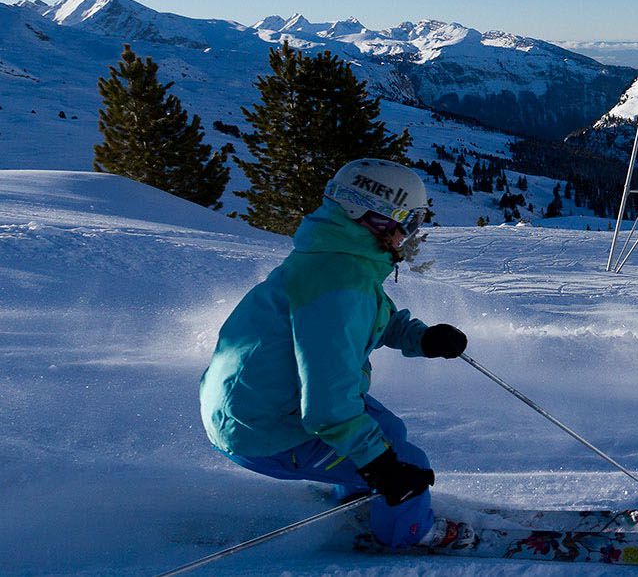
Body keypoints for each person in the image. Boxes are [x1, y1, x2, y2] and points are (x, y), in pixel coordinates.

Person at [199, 159, 471, 548]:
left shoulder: (335, 259)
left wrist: (421, 338)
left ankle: (357, 495)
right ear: (378, 219)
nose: (408, 236)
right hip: (261, 430)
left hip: (252, 402)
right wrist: (382, 469)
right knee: (406, 464)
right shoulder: (339, 285)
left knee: (390, 433)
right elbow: (328, 406)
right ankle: (409, 534)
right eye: (409, 223)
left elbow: (365, 318)